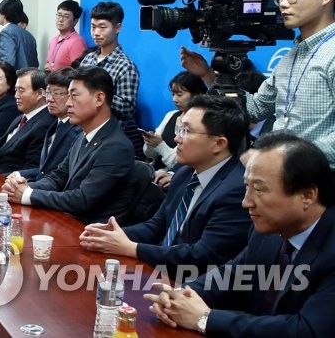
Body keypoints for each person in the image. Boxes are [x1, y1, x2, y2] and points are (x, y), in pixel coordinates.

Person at [145, 132, 335, 337]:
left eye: (259, 189)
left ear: (307, 196)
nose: (246, 202)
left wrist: (205, 318)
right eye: (247, 186)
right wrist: (180, 297)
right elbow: (234, 274)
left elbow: (307, 330)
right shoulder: (268, 229)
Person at [182, 0, 335, 168]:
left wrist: (283, 157)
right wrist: (208, 75)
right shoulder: (291, 57)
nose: (283, 4)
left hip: (320, 178)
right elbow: (255, 109)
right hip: (284, 174)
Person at [80, 95, 251, 279]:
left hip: (191, 284)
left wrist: (132, 248)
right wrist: (111, 235)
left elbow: (202, 255)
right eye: (180, 129)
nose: (177, 138)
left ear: (219, 143)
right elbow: (157, 225)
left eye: (186, 131)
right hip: (159, 271)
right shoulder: (184, 173)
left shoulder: (236, 191)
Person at [1, 66, 135, 224]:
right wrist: (24, 187)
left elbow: (83, 199)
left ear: (99, 99)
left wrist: (27, 195)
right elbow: (58, 177)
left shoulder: (115, 147)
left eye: (74, 96)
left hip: (86, 230)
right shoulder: (84, 135)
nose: (68, 103)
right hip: (64, 220)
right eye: (68, 95)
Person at [77, 1, 142, 159]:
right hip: (81, 134)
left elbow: (127, 108)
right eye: (93, 27)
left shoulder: (125, 66)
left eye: (102, 27)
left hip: (107, 140)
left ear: (117, 28)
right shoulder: (88, 59)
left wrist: (96, 95)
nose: (96, 33)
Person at [14, 67, 82, 181]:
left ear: (72, 95)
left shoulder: (76, 131)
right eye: (48, 93)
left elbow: (60, 174)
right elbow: (43, 170)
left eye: (57, 93)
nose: (49, 99)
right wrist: (18, 174)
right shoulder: (55, 123)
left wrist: (28, 186)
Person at [0, 67, 55, 175]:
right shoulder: (20, 118)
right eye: (16, 90)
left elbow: (30, 169)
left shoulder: (45, 124)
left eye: (21, 90)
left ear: (39, 93)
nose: (16, 96)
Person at [143, 71, 209, 171]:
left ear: (196, 94)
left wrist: (160, 145)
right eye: (173, 94)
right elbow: (150, 155)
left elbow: (179, 164)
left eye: (179, 94)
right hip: (156, 170)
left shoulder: (201, 122)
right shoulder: (171, 115)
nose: (174, 99)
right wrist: (150, 143)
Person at [0, 0, 38, 69]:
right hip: (30, 75)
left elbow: (7, 64)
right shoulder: (30, 36)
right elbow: (35, 64)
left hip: (13, 76)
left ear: (4, 15)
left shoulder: (6, 32)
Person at [46, 0, 89, 71]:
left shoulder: (77, 42)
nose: (60, 20)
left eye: (66, 17)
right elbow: (48, 63)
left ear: (75, 21)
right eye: (59, 15)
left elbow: (79, 72)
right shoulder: (54, 40)